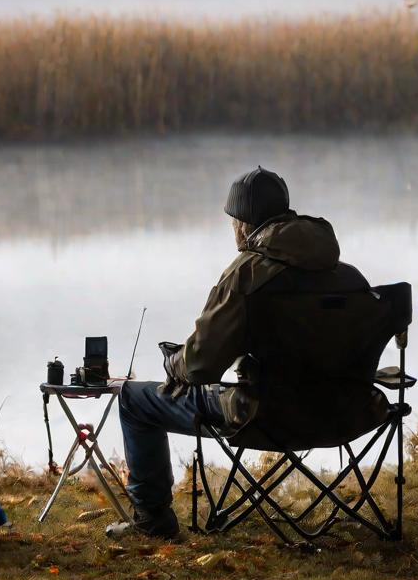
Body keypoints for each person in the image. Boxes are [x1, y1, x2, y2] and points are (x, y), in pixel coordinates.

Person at [107, 166, 371, 539]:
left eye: (233, 221)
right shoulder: (349, 277)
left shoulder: (246, 274)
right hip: (345, 411)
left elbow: (200, 366)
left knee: (134, 400)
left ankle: (152, 521)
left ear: (243, 224)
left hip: (265, 415)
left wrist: (173, 362)